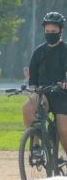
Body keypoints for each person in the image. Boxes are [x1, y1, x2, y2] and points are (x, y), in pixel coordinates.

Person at [23, 11, 67, 155]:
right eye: (47, 31)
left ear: (61, 31)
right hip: (44, 93)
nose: (50, 34)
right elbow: (33, 78)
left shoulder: (65, 50)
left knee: (63, 130)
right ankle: (36, 146)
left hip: (62, 95)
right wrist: (33, 89)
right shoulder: (39, 52)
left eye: (53, 31)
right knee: (28, 106)